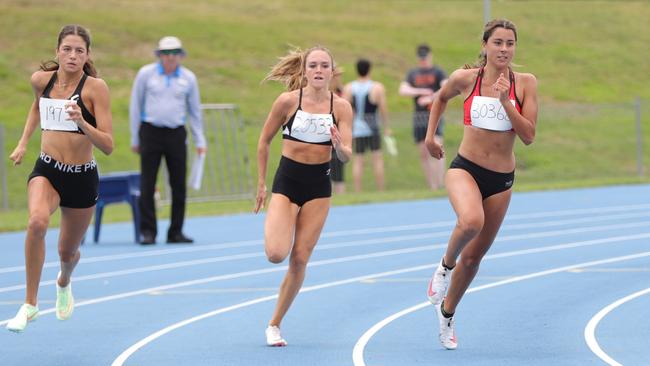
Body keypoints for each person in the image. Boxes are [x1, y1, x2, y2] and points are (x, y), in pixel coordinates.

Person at [424, 19, 538, 349]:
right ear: (485, 45)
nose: (504, 49)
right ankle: (444, 268)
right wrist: (431, 138)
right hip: (466, 168)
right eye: (498, 42)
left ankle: (447, 314)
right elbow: (440, 98)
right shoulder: (466, 78)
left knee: (473, 259)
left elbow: (529, 136)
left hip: (501, 180)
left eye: (510, 43)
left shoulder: (525, 83)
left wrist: (506, 102)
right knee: (471, 221)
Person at [6, 24, 114, 332]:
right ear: (57, 51)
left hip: (81, 177)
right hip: (48, 170)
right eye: (67, 49)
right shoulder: (41, 80)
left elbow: (108, 145)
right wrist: (24, 142)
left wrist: (82, 122)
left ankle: (64, 280)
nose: (72, 55)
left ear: (87, 55)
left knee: (67, 251)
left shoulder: (96, 88)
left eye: (79, 50)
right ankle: (29, 304)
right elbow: (36, 108)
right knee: (36, 222)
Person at [254, 46, 352, 346]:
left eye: (325, 65)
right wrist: (261, 183)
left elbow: (347, 156)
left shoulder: (342, 107)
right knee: (275, 254)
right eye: (313, 65)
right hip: (287, 182)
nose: (319, 70)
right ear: (305, 71)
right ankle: (279, 221)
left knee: (299, 260)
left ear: (332, 71)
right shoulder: (287, 101)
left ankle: (274, 324)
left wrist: (338, 146)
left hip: (318, 187)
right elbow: (264, 141)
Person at [129, 36, 207, 245]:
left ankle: (176, 231)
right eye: (166, 54)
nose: (170, 58)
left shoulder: (188, 78)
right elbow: (135, 106)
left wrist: (200, 140)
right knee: (148, 183)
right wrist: (135, 137)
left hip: (176, 133)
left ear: (181, 56)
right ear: (159, 55)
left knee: (178, 184)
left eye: (174, 54)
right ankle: (148, 231)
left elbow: (194, 111)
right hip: (150, 132)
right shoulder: (146, 74)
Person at [399, 43, 448, 190]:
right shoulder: (413, 73)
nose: (423, 61)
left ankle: (441, 183)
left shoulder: (438, 71)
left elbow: (447, 87)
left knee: (437, 148)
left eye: (425, 58)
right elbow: (403, 89)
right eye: (421, 58)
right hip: (419, 117)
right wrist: (421, 92)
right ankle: (432, 186)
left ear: (430, 56)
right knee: (423, 153)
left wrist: (432, 97)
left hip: (435, 114)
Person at [343, 58, 391, 192]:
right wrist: (386, 126)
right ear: (369, 69)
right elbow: (383, 109)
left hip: (357, 128)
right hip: (372, 127)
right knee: (377, 159)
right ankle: (381, 190)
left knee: (358, 160)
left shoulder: (349, 87)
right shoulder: (377, 87)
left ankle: (358, 191)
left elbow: (346, 110)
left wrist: (348, 129)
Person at [329, 67, 346, 194]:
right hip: (325, 137)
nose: (338, 79)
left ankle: (340, 195)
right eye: (336, 76)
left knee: (338, 171)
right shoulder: (324, 94)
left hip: (338, 136)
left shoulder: (341, 93)